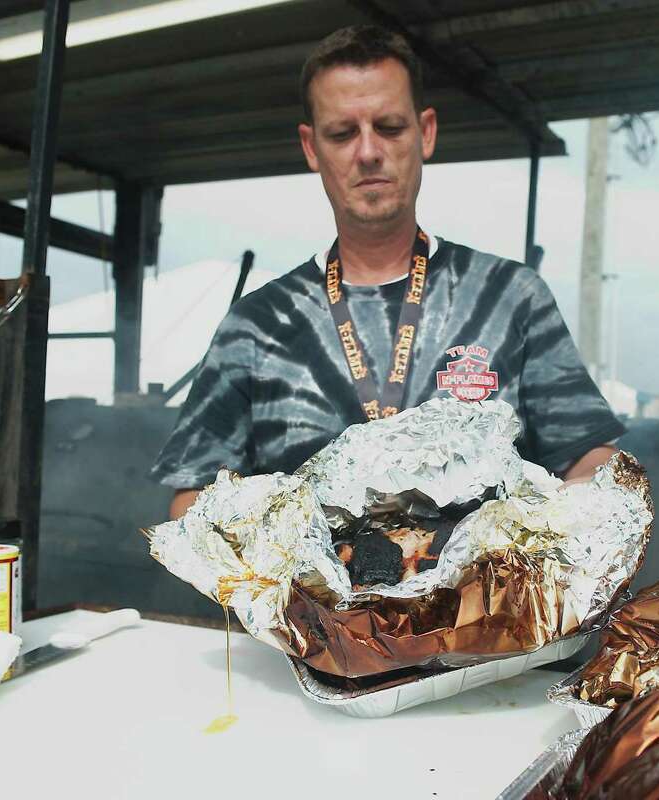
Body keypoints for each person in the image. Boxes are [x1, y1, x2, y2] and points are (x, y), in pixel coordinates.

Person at [151, 25, 623, 519]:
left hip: (486, 574)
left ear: (426, 132)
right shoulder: (256, 325)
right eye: (342, 133)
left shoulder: (511, 297)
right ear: (312, 148)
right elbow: (191, 497)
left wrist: (588, 504)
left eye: (390, 127)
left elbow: (589, 454)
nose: (368, 151)